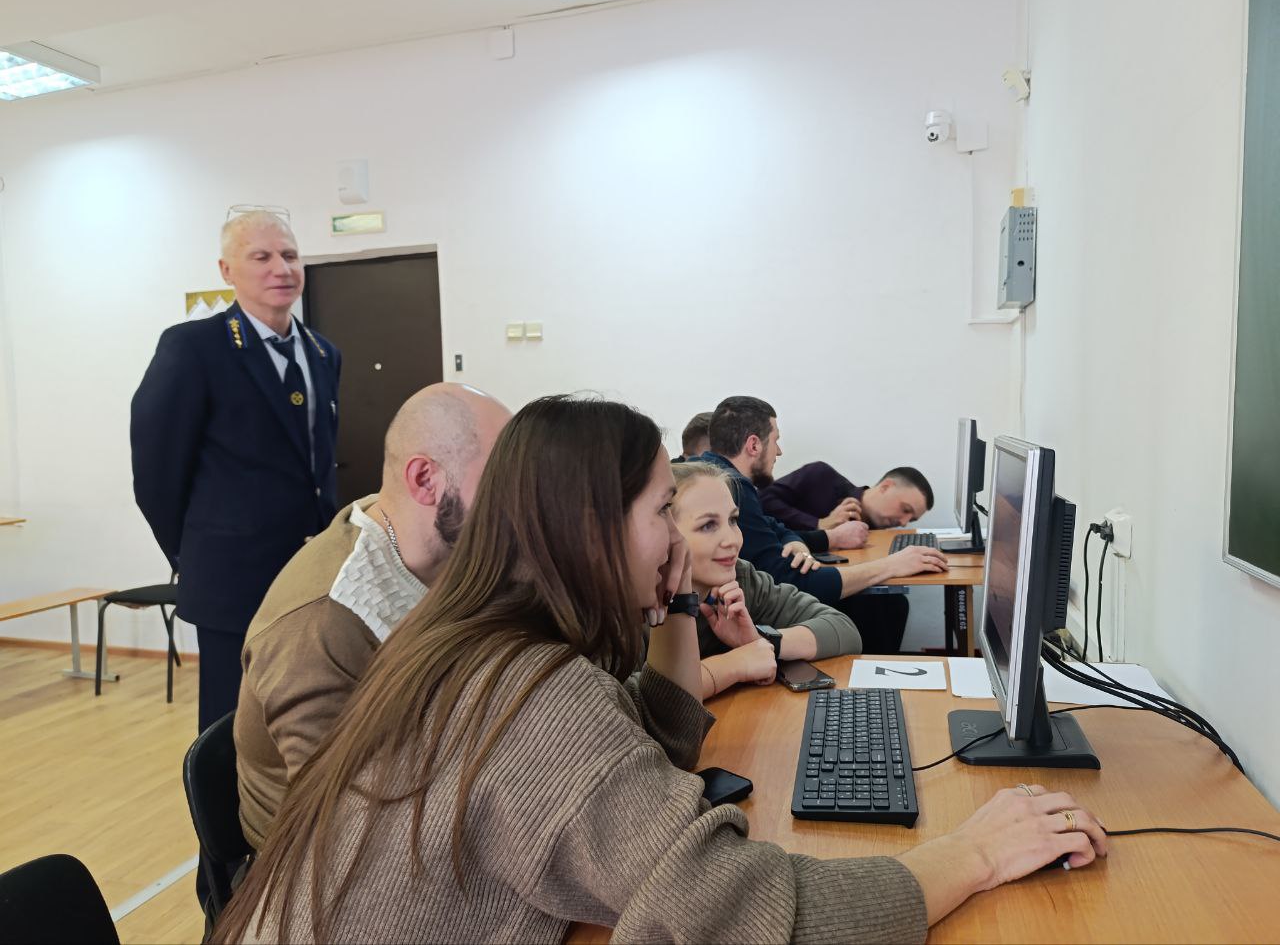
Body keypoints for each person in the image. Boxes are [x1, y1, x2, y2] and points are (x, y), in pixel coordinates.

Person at [212, 395, 1108, 945]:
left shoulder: (476, 637)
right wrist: (975, 852)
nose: (680, 533)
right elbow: (757, 917)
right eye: (662, 511)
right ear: (592, 529)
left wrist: (676, 600)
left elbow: (643, 742)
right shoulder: (523, 692)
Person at [233, 382, 511, 851]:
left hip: (424, 803)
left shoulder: (450, 547)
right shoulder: (325, 622)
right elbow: (333, 830)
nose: (520, 500)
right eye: (502, 478)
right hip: (314, 867)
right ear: (424, 480)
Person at [131, 209, 341, 733]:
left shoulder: (323, 353)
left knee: (308, 712)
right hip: (231, 578)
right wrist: (195, 553)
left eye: (290, 255)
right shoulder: (194, 348)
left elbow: (317, 467)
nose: (281, 268)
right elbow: (156, 473)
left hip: (312, 573)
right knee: (233, 726)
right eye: (261, 257)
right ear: (227, 270)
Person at [692, 396, 947, 653]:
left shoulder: (709, 475)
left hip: (737, 603)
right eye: (776, 440)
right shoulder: (730, 486)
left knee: (888, 605)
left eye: (733, 521)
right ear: (754, 445)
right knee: (874, 609)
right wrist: (892, 565)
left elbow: (772, 525)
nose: (779, 451)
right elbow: (792, 580)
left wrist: (798, 540)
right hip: (729, 616)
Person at [671, 461, 862, 698]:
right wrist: (735, 664)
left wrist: (761, 640)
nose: (732, 540)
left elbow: (844, 630)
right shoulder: (640, 601)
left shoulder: (741, 579)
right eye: (708, 525)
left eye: (733, 520)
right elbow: (636, 697)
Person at [761, 460, 935, 533]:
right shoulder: (820, 476)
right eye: (905, 510)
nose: (903, 523)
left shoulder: (877, 535)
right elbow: (761, 500)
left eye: (911, 520)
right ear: (885, 487)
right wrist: (818, 524)